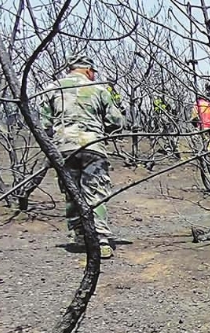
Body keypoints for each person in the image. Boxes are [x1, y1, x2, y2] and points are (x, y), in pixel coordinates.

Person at [40, 54, 125, 259]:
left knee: (72, 191)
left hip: (64, 148)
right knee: (95, 191)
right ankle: (101, 240)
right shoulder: (99, 89)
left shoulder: (52, 88)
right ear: (88, 70)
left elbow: (43, 125)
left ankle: (79, 235)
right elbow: (117, 122)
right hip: (92, 146)